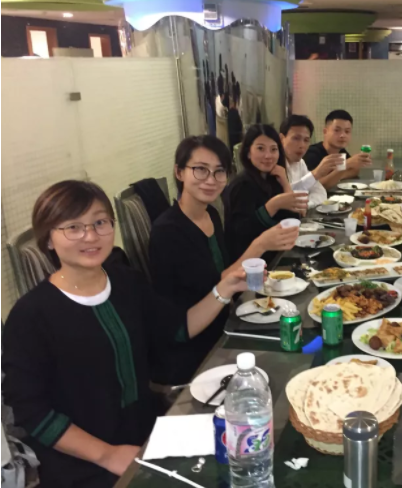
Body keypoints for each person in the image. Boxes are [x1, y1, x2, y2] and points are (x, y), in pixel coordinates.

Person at [2, 181, 251, 487]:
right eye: (73, 227)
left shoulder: (127, 282)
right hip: (82, 465)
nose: (91, 235)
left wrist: (224, 289)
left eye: (100, 222)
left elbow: (179, 327)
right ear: (49, 239)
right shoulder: (31, 316)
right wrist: (107, 455)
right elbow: (32, 413)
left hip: (148, 435)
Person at [149, 136, 299, 386]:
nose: (211, 180)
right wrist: (260, 245)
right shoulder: (168, 232)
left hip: (224, 324)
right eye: (200, 169)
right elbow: (213, 288)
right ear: (179, 172)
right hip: (193, 347)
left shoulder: (210, 214)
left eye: (219, 172)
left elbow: (222, 277)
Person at [224, 124, 307, 263]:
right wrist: (272, 206)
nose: (268, 156)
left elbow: (294, 220)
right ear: (248, 152)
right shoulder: (241, 185)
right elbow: (242, 232)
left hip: (275, 257)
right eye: (260, 148)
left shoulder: (273, 179)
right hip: (250, 265)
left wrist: (285, 182)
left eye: (273, 149)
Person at [280, 115, 342, 208]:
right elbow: (286, 198)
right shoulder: (274, 163)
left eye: (306, 140)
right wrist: (315, 174)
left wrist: (305, 205)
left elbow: (320, 192)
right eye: (296, 138)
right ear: (281, 139)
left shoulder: (300, 163)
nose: (302, 145)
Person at [302, 110, 372, 189]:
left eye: (347, 131)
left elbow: (354, 170)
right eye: (337, 130)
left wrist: (336, 175)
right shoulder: (312, 154)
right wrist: (345, 165)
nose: (342, 135)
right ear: (325, 131)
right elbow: (315, 186)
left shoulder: (341, 151)